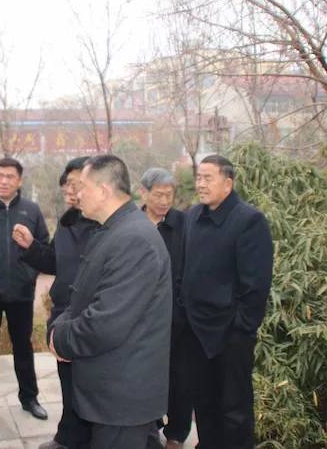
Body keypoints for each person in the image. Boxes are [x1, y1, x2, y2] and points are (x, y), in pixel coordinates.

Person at [50, 155, 172, 449]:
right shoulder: (113, 229)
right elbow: (82, 296)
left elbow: (105, 324)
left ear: (104, 190)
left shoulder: (134, 239)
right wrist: (61, 324)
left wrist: (60, 338)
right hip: (110, 394)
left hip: (122, 398)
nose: (77, 194)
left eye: (82, 186)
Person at [182, 155, 273, 449]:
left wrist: (240, 329)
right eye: (198, 178)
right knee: (204, 404)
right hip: (197, 331)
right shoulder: (192, 216)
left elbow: (256, 286)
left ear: (228, 183)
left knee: (235, 410)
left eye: (208, 178)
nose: (201, 184)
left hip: (231, 336)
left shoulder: (249, 220)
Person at [12, 156, 98, 449]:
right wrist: (30, 247)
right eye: (67, 186)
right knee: (69, 381)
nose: (71, 191)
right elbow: (53, 261)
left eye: (77, 184)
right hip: (65, 314)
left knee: (90, 387)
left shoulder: (106, 225)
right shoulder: (67, 221)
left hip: (91, 316)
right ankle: (70, 435)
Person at [0, 157, 50, 420]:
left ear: (19, 181)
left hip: (21, 292)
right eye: (0, 176)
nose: (4, 181)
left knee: (23, 347)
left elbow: (43, 246)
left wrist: (28, 275)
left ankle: (29, 398)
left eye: (10, 177)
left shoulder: (31, 210)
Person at [140, 168, 190, 449]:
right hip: (140, 318)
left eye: (169, 195)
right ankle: (149, 426)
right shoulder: (132, 222)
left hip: (175, 318)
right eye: (158, 195)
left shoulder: (183, 224)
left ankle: (176, 434)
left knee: (180, 378)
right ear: (143, 193)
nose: (164, 201)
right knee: (144, 374)